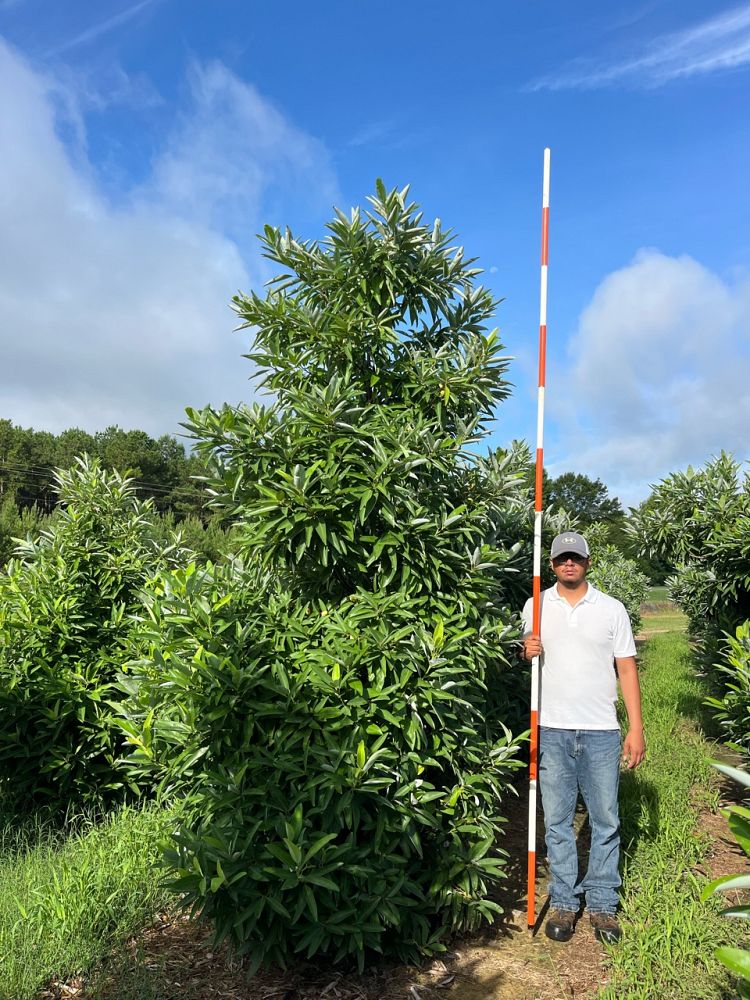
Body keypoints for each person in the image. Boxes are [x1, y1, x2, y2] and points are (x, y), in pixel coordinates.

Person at [522, 530, 645, 945]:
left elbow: (626, 668)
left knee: (606, 820)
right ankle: (563, 901)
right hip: (553, 728)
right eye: (561, 559)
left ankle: (603, 905)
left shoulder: (611, 610)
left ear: (588, 562)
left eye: (575, 558)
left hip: (601, 732)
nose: (568, 564)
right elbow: (529, 649)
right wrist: (527, 648)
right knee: (556, 821)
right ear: (552, 564)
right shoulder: (536, 606)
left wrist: (636, 729)